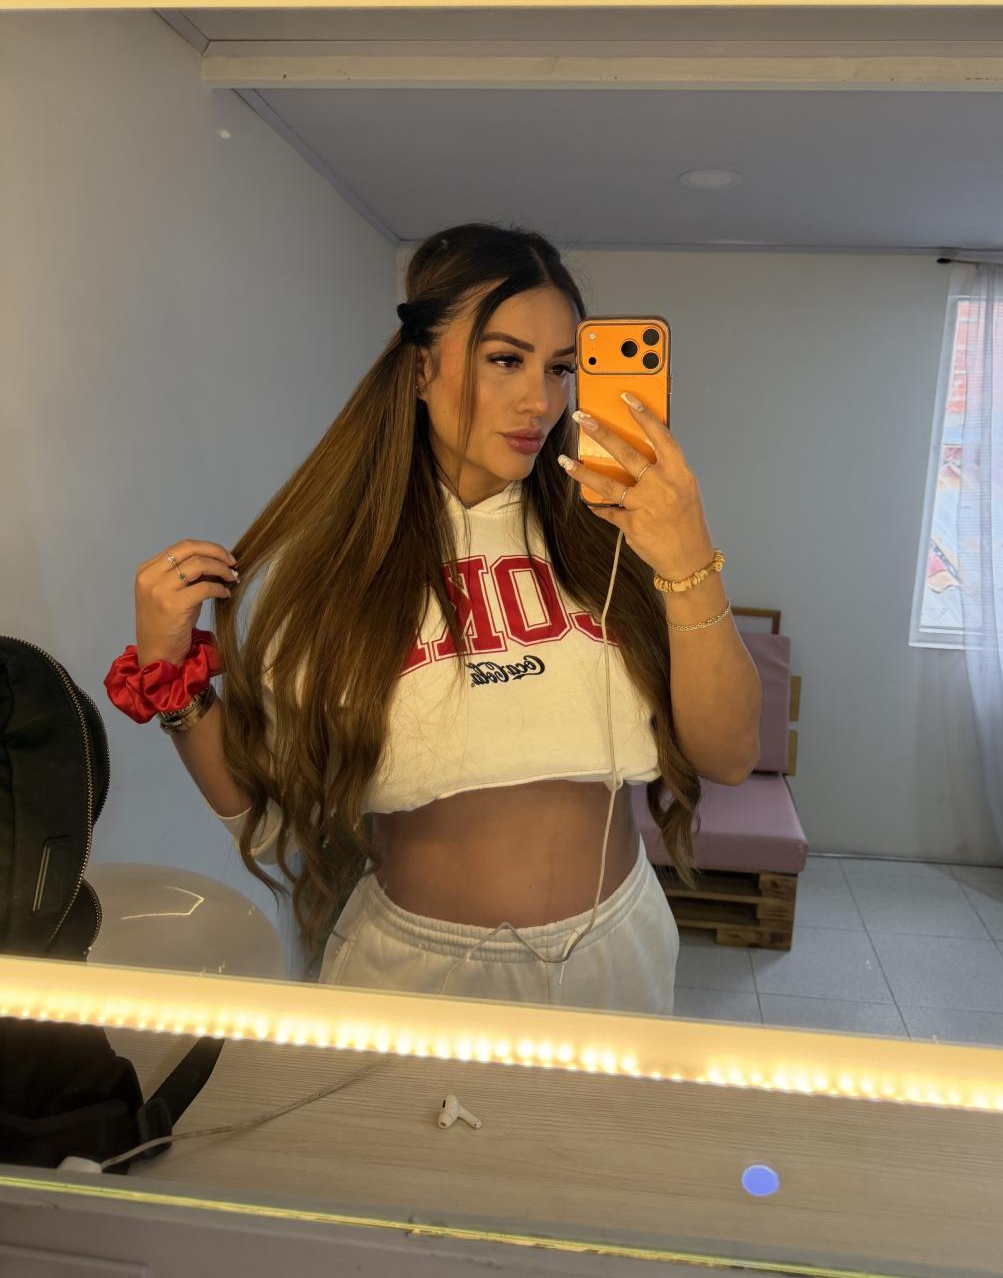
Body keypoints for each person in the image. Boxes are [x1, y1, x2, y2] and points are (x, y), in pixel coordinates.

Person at [110, 223, 736, 1015]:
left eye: (560, 368)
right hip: (416, 974)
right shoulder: (338, 570)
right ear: (419, 368)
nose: (541, 401)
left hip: (618, 952)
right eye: (504, 359)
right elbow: (268, 817)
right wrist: (168, 672)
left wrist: (689, 559)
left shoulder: (614, 542)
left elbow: (728, 755)